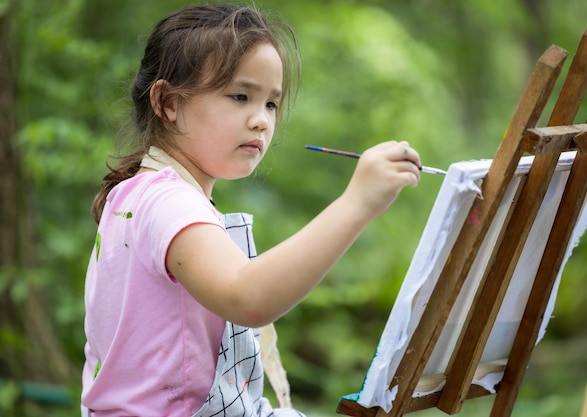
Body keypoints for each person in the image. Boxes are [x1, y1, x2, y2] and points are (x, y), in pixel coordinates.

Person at [81, 3, 422, 417]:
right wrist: (357, 204)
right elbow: (248, 296)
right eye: (240, 97)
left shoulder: (144, 194)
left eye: (271, 104)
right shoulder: (166, 200)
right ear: (169, 103)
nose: (261, 120)